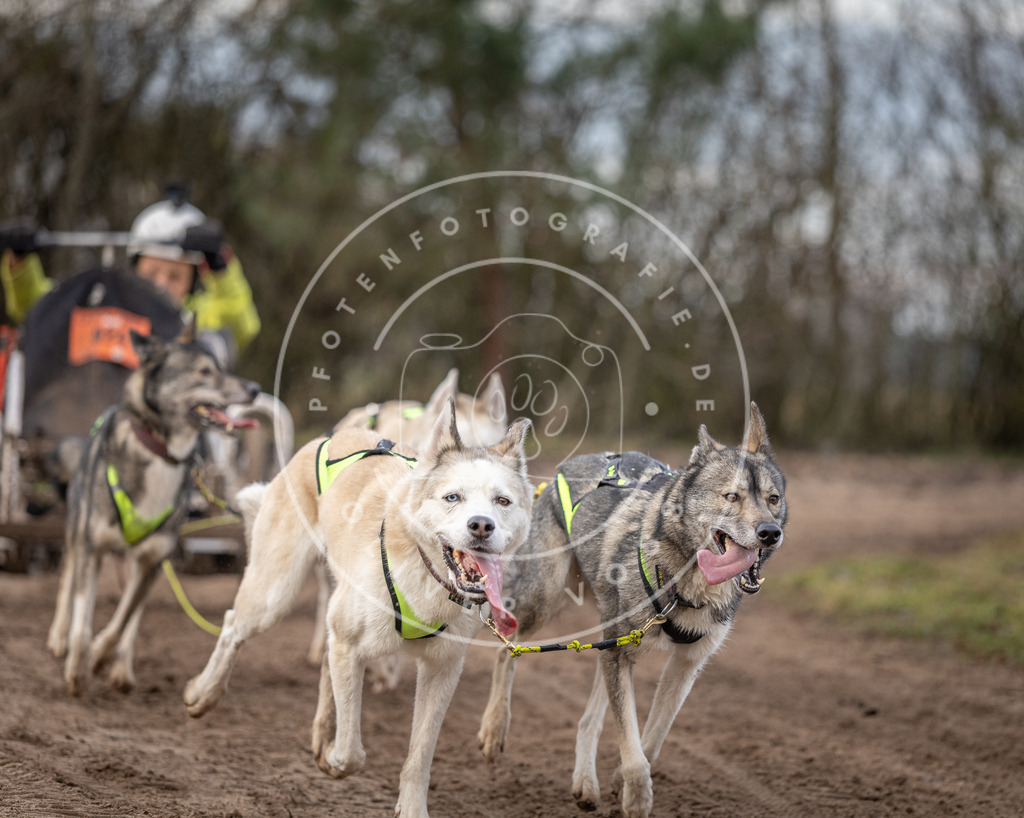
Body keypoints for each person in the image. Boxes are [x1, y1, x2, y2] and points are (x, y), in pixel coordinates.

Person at [0, 191, 260, 367]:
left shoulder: (194, 320)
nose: (160, 284)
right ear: (134, 268)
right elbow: (38, 305)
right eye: (151, 273)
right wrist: (20, 263)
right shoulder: (105, 310)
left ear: (192, 282)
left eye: (175, 276)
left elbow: (240, 322)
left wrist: (220, 269)